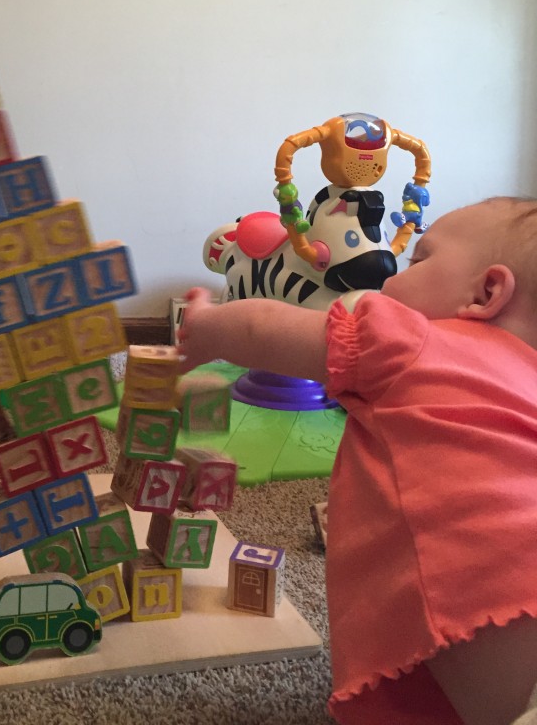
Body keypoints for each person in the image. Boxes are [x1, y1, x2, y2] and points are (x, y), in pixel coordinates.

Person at [177, 196, 537, 725]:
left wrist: (207, 327)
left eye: (418, 261)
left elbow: (267, 328)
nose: (391, 280)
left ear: (485, 294)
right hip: (521, 548)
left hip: (483, 568)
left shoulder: (410, 338)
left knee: (438, 698)